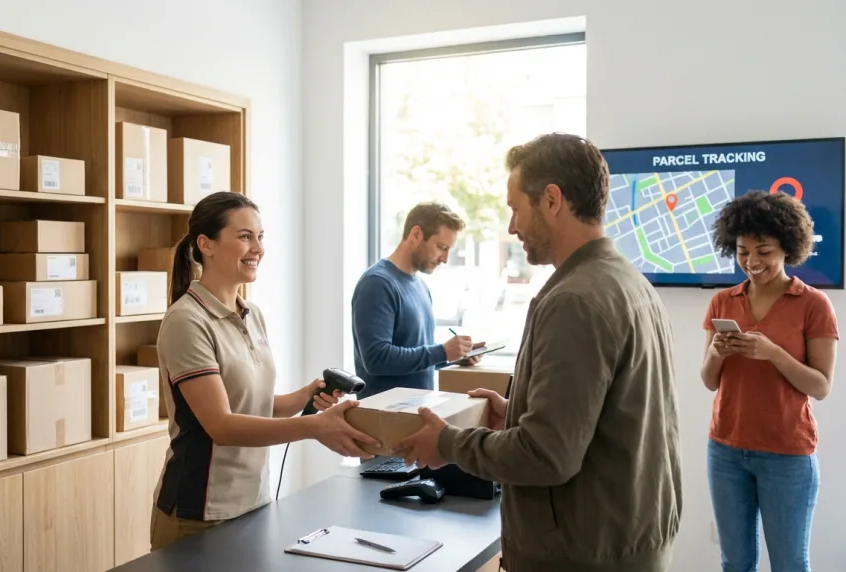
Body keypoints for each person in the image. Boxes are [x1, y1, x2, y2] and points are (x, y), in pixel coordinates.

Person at [396, 133, 682, 572]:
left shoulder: (576, 300)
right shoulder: (627, 282)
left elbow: (548, 456)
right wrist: (517, 413)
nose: (512, 227)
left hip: (581, 554)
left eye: (515, 209)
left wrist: (449, 442)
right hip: (626, 540)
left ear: (551, 199)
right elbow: (607, 419)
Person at [151, 191, 380, 550]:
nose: (257, 247)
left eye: (260, 237)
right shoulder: (187, 321)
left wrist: (306, 395)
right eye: (244, 237)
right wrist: (313, 428)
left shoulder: (251, 314)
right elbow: (222, 426)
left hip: (253, 503)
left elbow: (254, 405)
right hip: (199, 512)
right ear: (206, 244)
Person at [700, 191, 836, 572]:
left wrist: (773, 353)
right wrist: (717, 353)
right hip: (725, 451)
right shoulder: (723, 301)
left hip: (787, 455)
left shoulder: (813, 304)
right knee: (735, 562)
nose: (752, 261)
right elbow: (709, 380)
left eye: (764, 251)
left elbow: (821, 386)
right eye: (743, 251)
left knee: (790, 564)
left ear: (788, 248)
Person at [351, 202, 483, 399]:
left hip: (414, 413)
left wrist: (453, 356)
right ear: (415, 235)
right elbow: (377, 359)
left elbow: (414, 353)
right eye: (441, 247)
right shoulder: (377, 284)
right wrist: (441, 352)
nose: (445, 259)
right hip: (383, 419)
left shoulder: (419, 285)